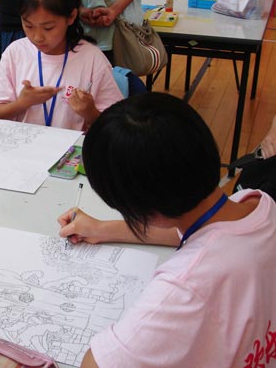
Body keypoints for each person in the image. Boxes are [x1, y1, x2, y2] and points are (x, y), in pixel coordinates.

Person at [56, 92, 276, 368]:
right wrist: (102, 228)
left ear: (141, 209)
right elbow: (190, 231)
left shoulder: (184, 287)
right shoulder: (255, 203)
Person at [0, 0, 122, 131]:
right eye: (28, 26)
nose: (38, 37)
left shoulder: (92, 58)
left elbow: (116, 125)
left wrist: (91, 113)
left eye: (48, 28)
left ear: (71, 17)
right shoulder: (15, 52)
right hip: (24, 144)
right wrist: (22, 103)